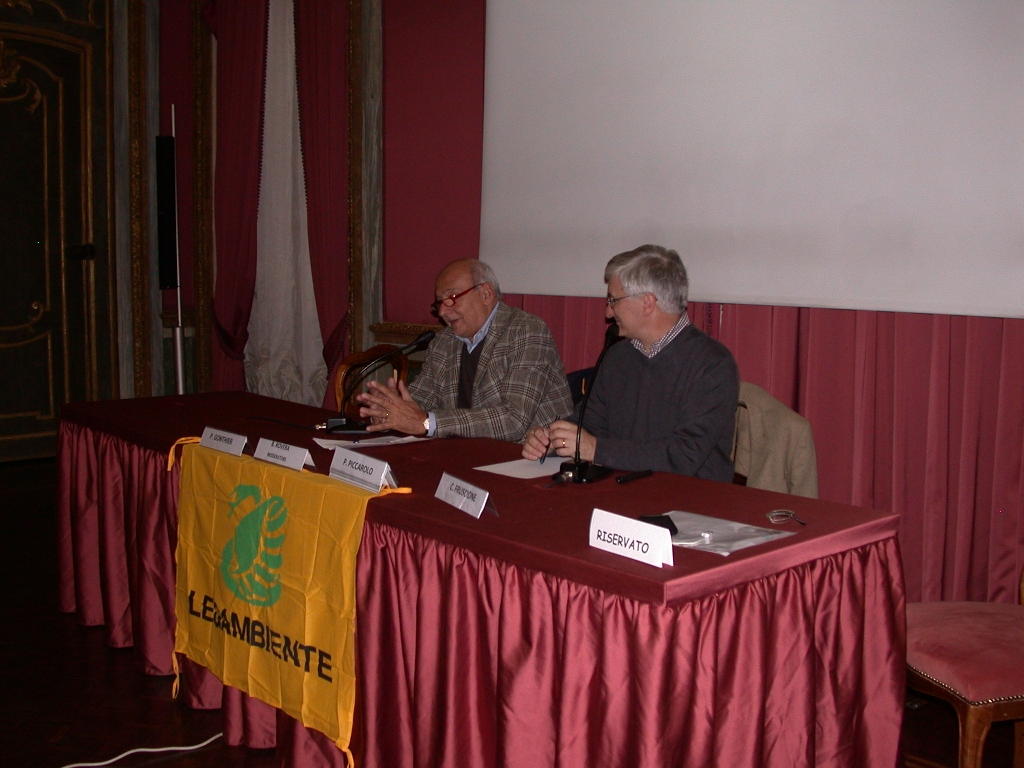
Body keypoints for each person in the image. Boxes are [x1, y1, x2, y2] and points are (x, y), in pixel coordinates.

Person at [522, 245, 738, 482]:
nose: (608, 312)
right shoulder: (617, 356)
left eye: (613, 300)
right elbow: (590, 423)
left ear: (647, 303)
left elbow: (683, 456)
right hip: (622, 490)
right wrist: (550, 438)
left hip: (690, 503)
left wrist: (595, 449)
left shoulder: (713, 364)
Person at [357, 259, 573, 442]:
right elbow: (418, 402)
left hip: (525, 458)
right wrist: (388, 411)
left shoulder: (527, 332)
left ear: (486, 293)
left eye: (451, 299)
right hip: (465, 456)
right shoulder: (444, 342)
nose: (442, 312)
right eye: (439, 303)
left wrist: (426, 422)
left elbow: (513, 420)